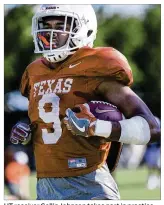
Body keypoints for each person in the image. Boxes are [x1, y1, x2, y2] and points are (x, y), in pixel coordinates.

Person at [10, 4, 160, 200]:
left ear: (83, 27)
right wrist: (26, 130)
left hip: (90, 184)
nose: (51, 32)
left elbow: (153, 128)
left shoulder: (96, 66)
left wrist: (97, 127)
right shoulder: (34, 72)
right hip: (45, 185)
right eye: (47, 24)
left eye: (60, 25)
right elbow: (49, 124)